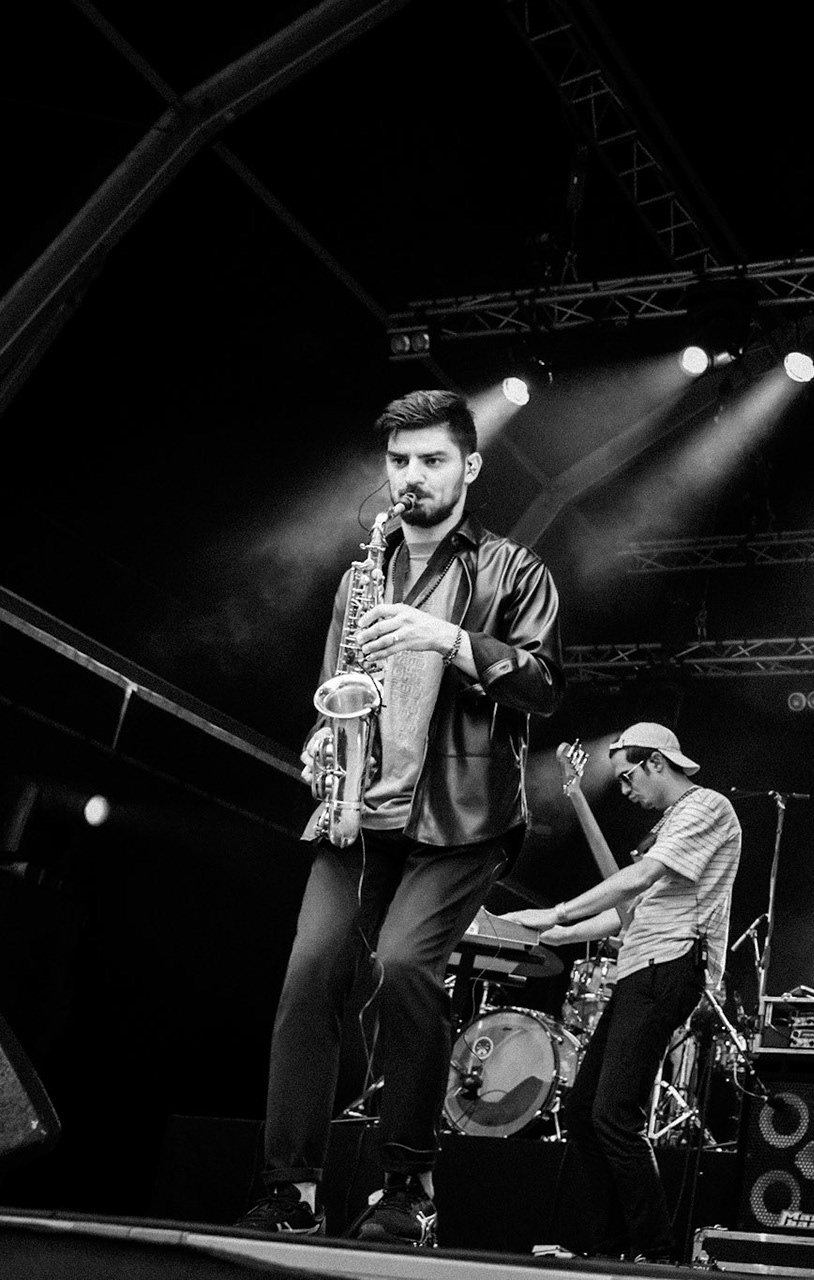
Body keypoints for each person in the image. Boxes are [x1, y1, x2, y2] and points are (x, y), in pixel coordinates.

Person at [237, 390, 564, 1245]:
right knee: (309, 979)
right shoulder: (361, 574)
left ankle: (408, 1185)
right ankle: (290, 1190)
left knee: (405, 967)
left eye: (431, 461)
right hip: (356, 813)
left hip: (460, 817)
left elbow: (542, 685)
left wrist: (443, 637)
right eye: (399, 462)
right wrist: (322, 743)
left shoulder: (515, 569)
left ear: (471, 467)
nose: (411, 478)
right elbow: (337, 688)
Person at [503, 722, 741, 1263]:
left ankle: (655, 1255)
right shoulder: (664, 826)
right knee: (586, 1112)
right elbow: (623, 913)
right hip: (640, 968)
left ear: (657, 761)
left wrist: (557, 911)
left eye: (628, 775)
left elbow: (639, 879)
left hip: (672, 964)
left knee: (614, 1114)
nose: (625, 789)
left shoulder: (707, 807)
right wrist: (528, 928)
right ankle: (608, 1252)